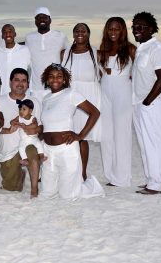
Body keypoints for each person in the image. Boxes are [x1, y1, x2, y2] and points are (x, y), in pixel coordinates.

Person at [39, 64, 104, 200]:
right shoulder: (45, 98)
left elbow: (95, 112)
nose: (55, 79)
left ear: (64, 80)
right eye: (51, 76)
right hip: (48, 151)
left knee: (68, 195)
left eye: (59, 76)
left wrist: (81, 135)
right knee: (46, 194)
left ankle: (92, 186)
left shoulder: (71, 94)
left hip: (66, 150)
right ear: (47, 79)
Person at [131, 12, 161, 195]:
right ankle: (153, 180)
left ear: (151, 29)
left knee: (153, 144)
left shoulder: (157, 48)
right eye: (134, 27)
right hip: (139, 105)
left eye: (141, 27)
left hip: (152, 105)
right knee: (145, 144)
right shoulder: (142, 49)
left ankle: (155, 184)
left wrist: (147, 102)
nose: (136, 30)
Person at [97, 17, 136, 187]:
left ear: (123, 31)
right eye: (110, 29)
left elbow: (138, 74)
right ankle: (111, 175)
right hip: (105, 91)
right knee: (107, 135)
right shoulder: (102, 51)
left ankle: (122, 177)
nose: (113, 32)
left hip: (123, 92)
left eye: (117, 29)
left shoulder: (131, 49)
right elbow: (100, 74)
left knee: (122, 135)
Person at [61, 23, 101, 180]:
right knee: (68, 134)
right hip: (69, 96)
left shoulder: (96, 53)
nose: (80, 33)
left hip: (89, 97)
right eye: (77, 30)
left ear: (88, 34)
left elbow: (104, 75)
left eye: (83, 30)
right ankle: (69, 170)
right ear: (73, 34)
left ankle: (83, 172)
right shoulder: (65, 53)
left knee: (82, 137)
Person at [0, 68, 42, 197]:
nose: (20, 84)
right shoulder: (0, 101)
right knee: (11, 189)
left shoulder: (34, 102)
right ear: (10, 82)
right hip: (8, 149)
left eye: (24, 81)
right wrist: (8, 130)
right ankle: (20, 175)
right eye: (16, 80)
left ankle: (34, 190)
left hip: (28, 143)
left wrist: (33, 129)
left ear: (28, 84)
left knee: (33, 153)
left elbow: (41, 128)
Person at [25, 7, 68, 100]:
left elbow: (67, 54)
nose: (42, 20)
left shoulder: (60, 36)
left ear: (50, 20)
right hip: (36, 89)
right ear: (35, 21)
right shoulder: (29, 38)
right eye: (38, 17)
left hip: (55, 87)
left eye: (45, 17)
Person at [0, 24, 31, 95]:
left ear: (15, 34)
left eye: (10, 31)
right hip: (4, 93)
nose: (8, 34)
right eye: (5, 32)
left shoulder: (24, 50)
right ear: (2, 36)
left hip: (23, 92)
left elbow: (31, 70)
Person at [11, 99, 45, 166]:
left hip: (33, 138)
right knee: (21, 148)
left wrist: (26, 126)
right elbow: (11, 122)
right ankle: (25, 160)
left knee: (39, 145)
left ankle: (41, 157)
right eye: (20, 109)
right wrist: (16, 123)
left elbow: (35, 125)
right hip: (24, 139)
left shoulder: (33, 118)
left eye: (24, 109)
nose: (21, 111)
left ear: (30, 111)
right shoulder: (19, 118)